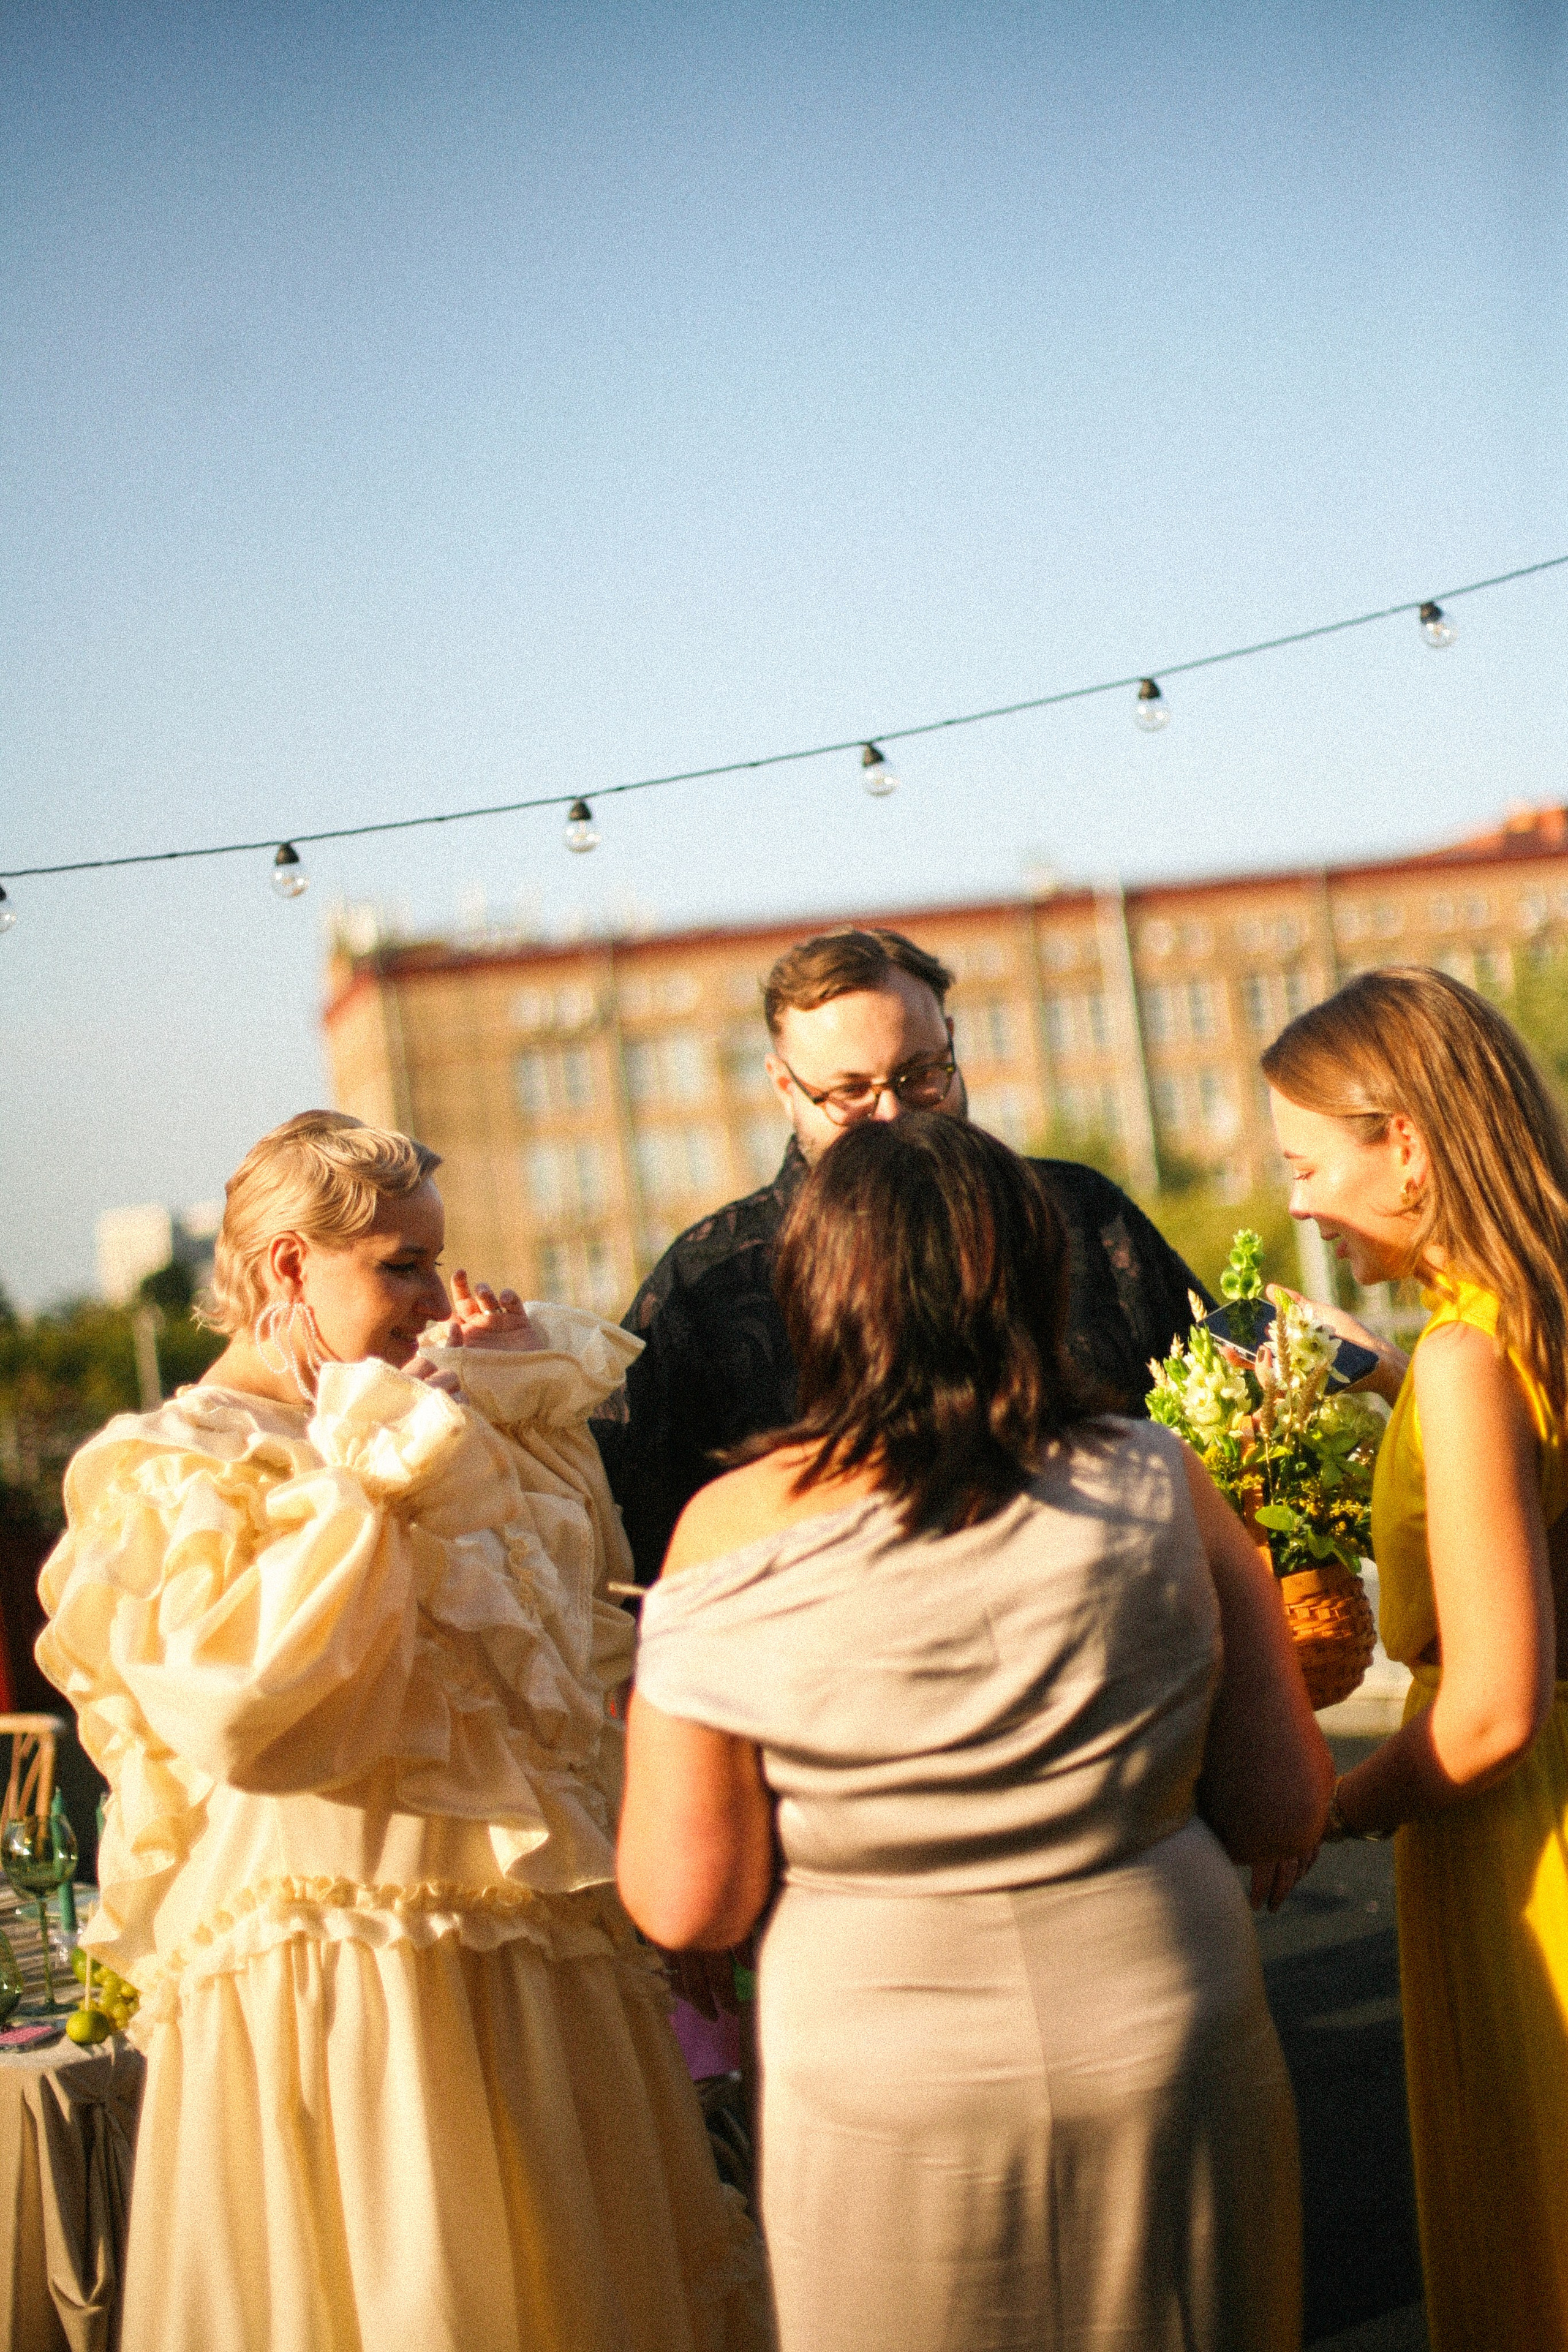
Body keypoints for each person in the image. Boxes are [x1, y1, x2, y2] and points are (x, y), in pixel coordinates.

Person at [36, 1112, 769, 2352]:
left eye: (435, 1259)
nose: (435, 1298)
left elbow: (564, 1634)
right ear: (289, 1266)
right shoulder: (178, 1463)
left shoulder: (419, 1420)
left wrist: (513, 1415)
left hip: (531, 1967)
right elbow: (243, 1708)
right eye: (401, 1265)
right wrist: (376, 1464)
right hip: (345, 1983)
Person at [617, 1112, 1332, 2352]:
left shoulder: (728, 1531)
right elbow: (1281, 1804)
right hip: (1162, 2026)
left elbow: (691, 1901)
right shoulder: (1156, 1478)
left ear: (815, 1296)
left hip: (880, 2070)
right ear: (1037, 1272)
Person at [1261, 968, 1568, 2352]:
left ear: (1406, 1144)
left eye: (1305, 1163)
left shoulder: (1463, 1358)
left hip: (1521, 1848)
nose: (1298, 1204)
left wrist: (1326, 1810)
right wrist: (1384, 1377)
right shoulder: (1513, 1321)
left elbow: (1492, 1710)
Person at [592, 925, 1210, 1588]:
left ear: (952, 1043)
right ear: (783, 1085)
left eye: (919, 1076)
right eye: (851, 1092)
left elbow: (1227, 1401)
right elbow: (628, 1544)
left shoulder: (1079, 1214)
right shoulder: (706, 1283)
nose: (892, 1116)